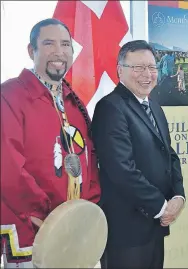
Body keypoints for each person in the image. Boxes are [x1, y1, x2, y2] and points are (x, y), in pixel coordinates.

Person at [0, 18, 101, 268]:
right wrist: (45, 213)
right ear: (31, 50)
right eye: (48, 43)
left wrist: (86, 211)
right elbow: (8, 166)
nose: (59, 51)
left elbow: (91, 158)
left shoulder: (73, 101)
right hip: (32, 229)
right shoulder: (10, 94)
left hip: (74, 230)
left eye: (65, 44)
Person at [91, 40, 186, 269]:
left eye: (152, 67)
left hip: (154, 226)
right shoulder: (110, 107)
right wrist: (161, 207)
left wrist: (178, 197)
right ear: (120, 70)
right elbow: (121, 169)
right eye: (138, 68)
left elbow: (169, 155)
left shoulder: (154, 106)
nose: (147, 74)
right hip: (127, 230)